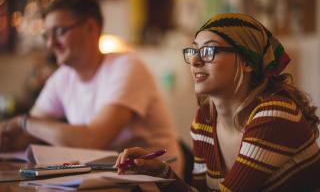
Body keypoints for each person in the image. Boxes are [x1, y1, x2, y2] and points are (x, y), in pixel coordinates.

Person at [115, 13, 320, 191]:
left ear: (247, 61)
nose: (195, 61)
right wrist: (161, 171)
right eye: (194, 50)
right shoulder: (204, 120)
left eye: (209, 51)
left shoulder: (274, 116)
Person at [0, 0, 183, 176]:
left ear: (91, 28)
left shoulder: (126, 67)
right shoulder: (62, 78)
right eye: (47, 35)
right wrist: (8, 137)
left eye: (59, 32)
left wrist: (23, 122)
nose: (50, 43)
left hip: (155, 180)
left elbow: (92, 139)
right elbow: (30, 131)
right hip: (108, 176)